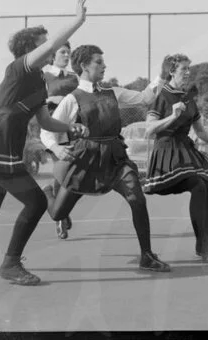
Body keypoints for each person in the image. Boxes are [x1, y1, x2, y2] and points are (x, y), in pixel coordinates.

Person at [0, 0, 90, 286]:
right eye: (43, 42)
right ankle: (11, 263)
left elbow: (44, 121)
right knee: (35, 204)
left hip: (4, 146)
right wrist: (78, 20)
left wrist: (71, 127)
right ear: (32, 49)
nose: (51, 47)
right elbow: (54, 44)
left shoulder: (40, 81)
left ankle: (4, 262)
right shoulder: (20, 68)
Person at [40, 44, 171, 273]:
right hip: (85, 161)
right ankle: (49, 194)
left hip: (115, 159)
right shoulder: (72, 99)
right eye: (98, 62)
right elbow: (46, 130)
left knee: (137, 200)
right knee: (58, 213)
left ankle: (147, 256)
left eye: (103, 62)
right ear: (84, 66)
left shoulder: (114, 92)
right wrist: (56, 148)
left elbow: (144, 98)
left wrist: (161, 75)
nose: (104, 66)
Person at [141, 54, 208, 262]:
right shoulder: (162, 95)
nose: (188, 73)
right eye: (184, 69)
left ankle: (206, 243)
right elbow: (149, 130)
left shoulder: (188, 97)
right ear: (172, 71)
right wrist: (172, 116)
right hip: (166, 153)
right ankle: (203, 246)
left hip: (185, 151)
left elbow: (199, 131)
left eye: (189, 69)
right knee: (199, 185)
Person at [41, 41, 79, 239]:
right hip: (52, 128)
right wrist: (51, 100)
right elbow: (37, 100)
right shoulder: (44, 76)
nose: (66, 56)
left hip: (72, 129)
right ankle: (60, 218)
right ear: (53, 56)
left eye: (68, 53)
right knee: (61, 172)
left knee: (69, 174)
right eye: (63, 52)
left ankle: (61, 210)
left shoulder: (75, 78)